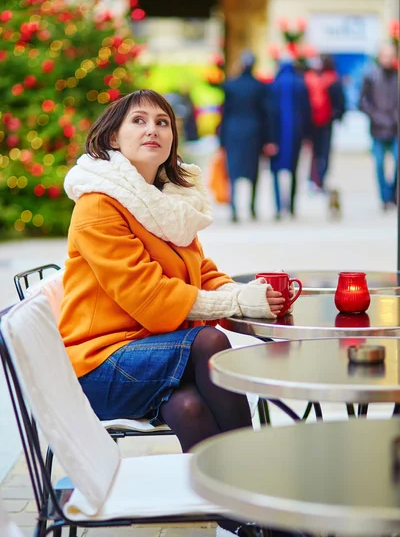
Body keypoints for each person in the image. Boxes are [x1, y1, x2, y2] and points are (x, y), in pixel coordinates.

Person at [59, 89, 293, 537]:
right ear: (111, 137)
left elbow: (200, 271)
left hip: (147, 355)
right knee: (208, 341)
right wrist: (233, 304)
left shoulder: (166, 203)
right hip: (99, 366)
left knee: (188, 408)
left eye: (163, 122)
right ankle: (263, 493)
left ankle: (239, 520)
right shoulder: (98, 205)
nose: (153, 129)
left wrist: (243, 293)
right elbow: (147, 296)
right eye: (139, 121)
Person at [219, 52, 270, 222]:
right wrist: (267, 139)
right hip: (254, 132)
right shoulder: (260, 87)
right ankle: (252, 207)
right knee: (253, 170)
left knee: (233, 170)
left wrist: (221, 139)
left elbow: (224, 113)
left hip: (233, 131)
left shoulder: (230, 86)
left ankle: (234, 208)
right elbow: (265, 115)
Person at [267, 55, 312, 220]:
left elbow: (269, 113)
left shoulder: (273, 85)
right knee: (294, 170)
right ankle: (292, 206)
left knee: (276, 172)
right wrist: (307, 135)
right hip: (295, 135)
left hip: (276, 136)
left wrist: (269, 138)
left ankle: (279, 207)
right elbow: (307, 111)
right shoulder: (300, 83)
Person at [359, 43, 398, 211]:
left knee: (397, 162)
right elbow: (363, 101)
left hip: (396, 128)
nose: (388, 59)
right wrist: (376, 116)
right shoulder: (371, 76)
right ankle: (385, 198)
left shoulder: (397, 77)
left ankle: (393, 194)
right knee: (379, 164)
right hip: (378, 128)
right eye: (385, 56)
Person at [305, 54, 346, 192]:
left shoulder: (326, 79)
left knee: (320, 152)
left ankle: (317, 179)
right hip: (318, 122)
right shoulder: (329, 79)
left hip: (321, 121)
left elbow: (339, 102)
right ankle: (317, 179)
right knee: (321, 152)